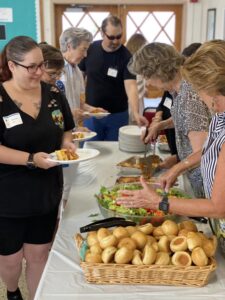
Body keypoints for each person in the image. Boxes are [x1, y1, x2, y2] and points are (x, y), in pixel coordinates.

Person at [117, 39, 225, 255]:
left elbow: (218, 206)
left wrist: (160, 201)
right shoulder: (215, 114)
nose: (210, 106)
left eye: (211, 101)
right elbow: (211, 146)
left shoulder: (192, 96)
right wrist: (176, 163)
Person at [0, 36, 75, 300]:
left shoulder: (53, 93)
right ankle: (12, 291)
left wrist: (69, 146)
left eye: (41, 65)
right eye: (31, 67)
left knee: (38, 254)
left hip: (45, 190)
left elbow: (66, 129)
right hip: (7, 194)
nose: (40, 72)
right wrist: (31, 159)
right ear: (12, 65)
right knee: (10, 259)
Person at [127, 42, 211, 197]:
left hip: (205, 180)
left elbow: (203, 151)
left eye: (147, 76)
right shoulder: (180, 89)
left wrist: (175, 169)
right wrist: (161, 125)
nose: (147, 83)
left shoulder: (188, 96)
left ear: (159, 71)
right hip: (194, 174)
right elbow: (185, 119)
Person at [79, 15, 148, 141]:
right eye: (111, 37)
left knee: (115, 154)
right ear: (102, 33)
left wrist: (136, 112)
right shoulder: (90, 50)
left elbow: (131, 86)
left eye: (119, 37)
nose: (115, 41)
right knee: (90, 149)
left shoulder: (126, 56)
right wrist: (79, 103)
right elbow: (79, 76)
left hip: (117, 115)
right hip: (92, 113)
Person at [148, 43, 202, 165]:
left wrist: (177, 163)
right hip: (184, 158)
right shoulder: (177, 90)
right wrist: (160, 124)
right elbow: (180, 116)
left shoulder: (193, 95)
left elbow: (202, 149)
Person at [59, 27, 105, 126]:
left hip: (73, 129)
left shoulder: (78, 71)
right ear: (69, 46)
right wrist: (70, 114)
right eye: (83, 49)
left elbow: (79, 102)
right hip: (58, 130)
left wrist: (93, 110)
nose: (85, 55)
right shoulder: (55, 71)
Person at [126, 33, 148, 123]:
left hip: (135, 103)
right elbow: (135, 88)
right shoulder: (134, 65)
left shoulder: (136, 63)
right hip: (132, 104)